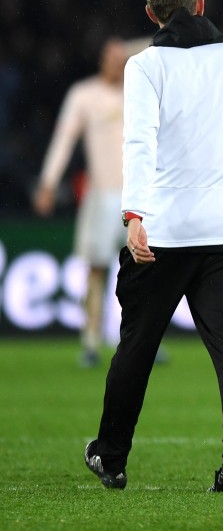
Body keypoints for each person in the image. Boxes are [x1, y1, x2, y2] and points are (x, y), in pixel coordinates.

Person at [83, 0, 223, 492]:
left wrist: (134, 214)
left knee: (137, 348)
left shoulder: (145, 67)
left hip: (163, 235)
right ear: (201, 4)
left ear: (152, 13)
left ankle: (111, 457)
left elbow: (140, 144)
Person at [34, 37, 141, 368]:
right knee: (96, 268)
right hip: (100, 195)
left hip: (135, 197)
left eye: (121, 57)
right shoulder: (83, 95)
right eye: (110, 57)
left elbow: (163, 40)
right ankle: (92, 339)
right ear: (100, 60)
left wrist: (128, 47)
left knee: (141, 268)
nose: (117, 62)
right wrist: (48, 182)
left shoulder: (139, 93)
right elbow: (64, 139)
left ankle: (139, 339)